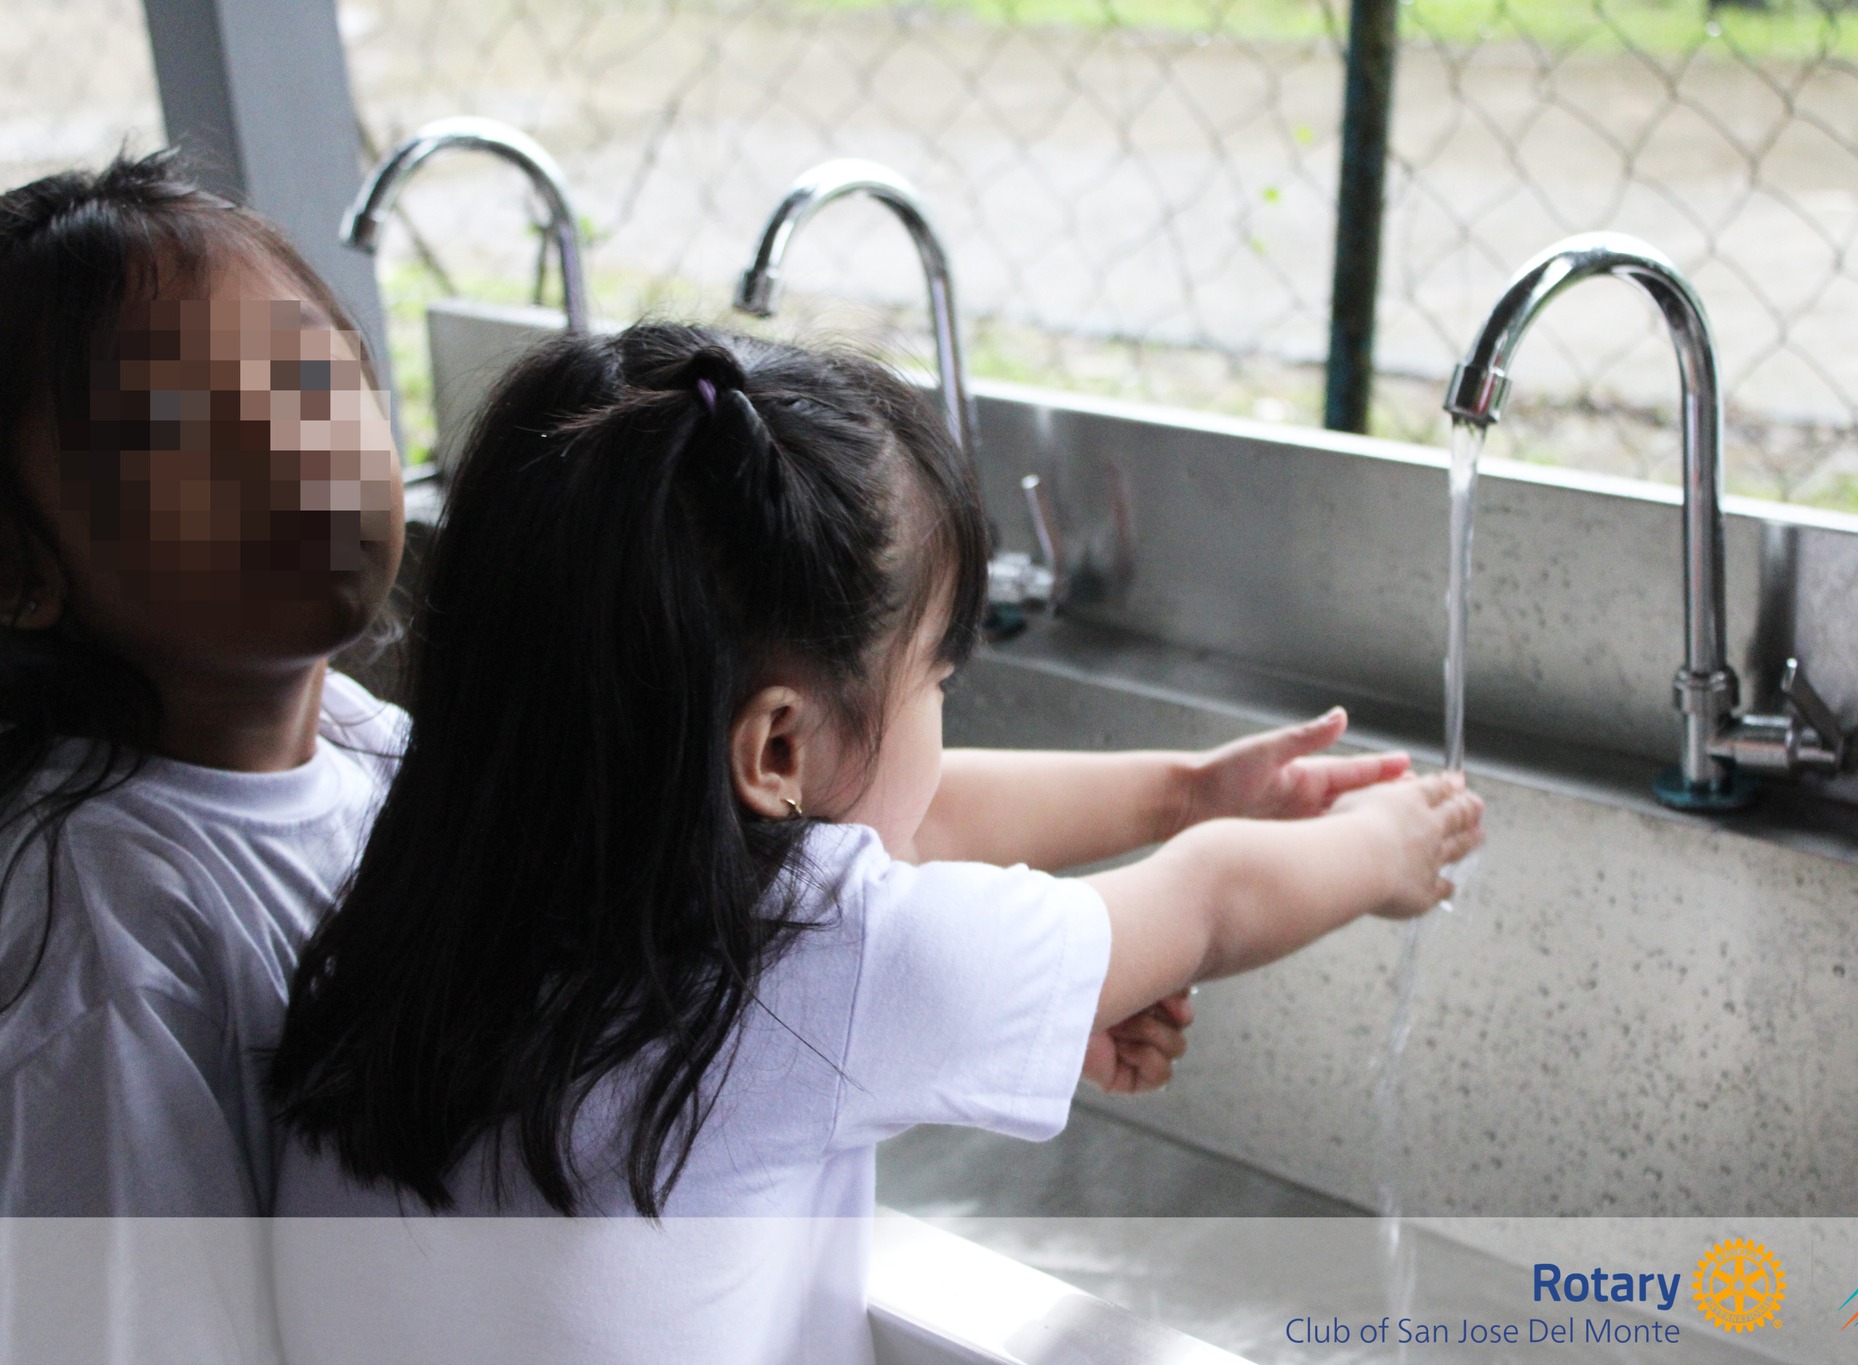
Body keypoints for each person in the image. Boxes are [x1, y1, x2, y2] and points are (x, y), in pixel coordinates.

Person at [268, 323, 1481, 1364]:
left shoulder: (439, 862)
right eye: (938, 681)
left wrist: (1178, 791)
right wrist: (1388, 842)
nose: (944, 721)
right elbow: (1210, 904)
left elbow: (902, 829)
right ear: (776, 750)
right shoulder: (812, 970)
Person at [0, 152, 407, 1224]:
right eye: (171, 432)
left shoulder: (371, 747)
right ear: (20, 569)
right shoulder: (102, 934)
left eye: (310, 376)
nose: (288, 447)